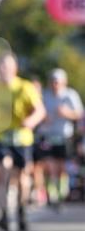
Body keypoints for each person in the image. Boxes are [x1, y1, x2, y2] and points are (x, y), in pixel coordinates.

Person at [0, 52, 46, 231]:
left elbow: (39, 111)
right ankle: (3, 213)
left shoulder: (25, 87)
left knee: (22, 177)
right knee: (3, 171)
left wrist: (30, 122)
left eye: (7, 67)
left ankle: (21, 209)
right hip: (0, 137)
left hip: (21, 137)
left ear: (14, 68)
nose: (3, 70)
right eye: (0, 67)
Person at [40, 68, 83, 208]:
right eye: (53, 81)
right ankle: (51, 193)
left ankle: (61, 193)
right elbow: (37, 110)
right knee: (48, 164)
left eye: (57, 81)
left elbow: (79, 114)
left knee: (61, 165)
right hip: (48, 135)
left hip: (64, 135)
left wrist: (66, 113)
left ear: (64, 82)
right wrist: (43, 117)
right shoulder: (45, 95)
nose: (55, 84)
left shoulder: (70, 95)